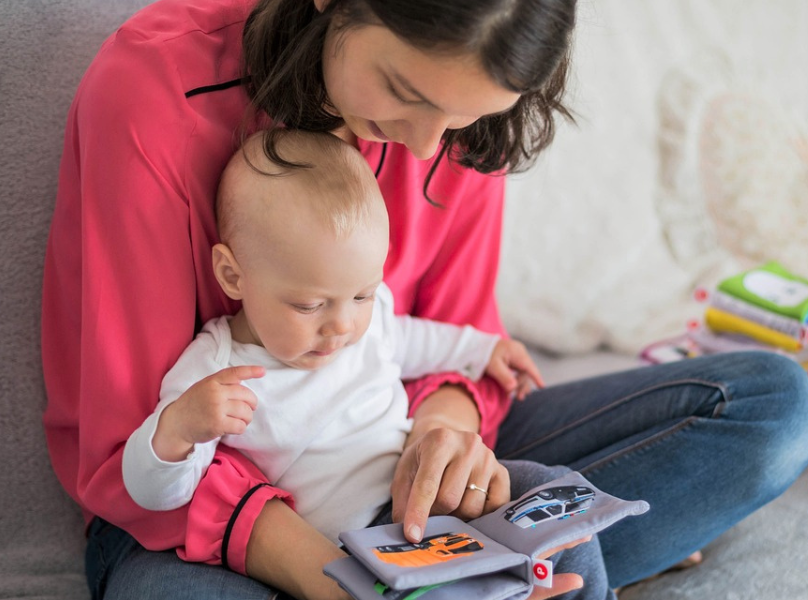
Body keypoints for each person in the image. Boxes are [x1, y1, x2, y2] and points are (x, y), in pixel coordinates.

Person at [41, 0, 808, 598]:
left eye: (468, 116)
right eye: (401, 90)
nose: (425, 148)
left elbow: (455, 337)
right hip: (192, 512)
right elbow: (130, 446)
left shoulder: (456, 123)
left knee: (776, 409)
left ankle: (499, 565)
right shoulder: (149, 95)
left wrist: (444, 441)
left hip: (393, 452)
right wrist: (345, 582)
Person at [121, 129, 546, 546]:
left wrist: (483, 349)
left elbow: (413, 340)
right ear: (233, 276)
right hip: (355, 544)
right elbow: (155, 495)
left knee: (549, 490)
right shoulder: (217, 371)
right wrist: (179, 428)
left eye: (362, 294)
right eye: (309, 305)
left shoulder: (365, 317)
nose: (342, 326)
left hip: (419, 494)